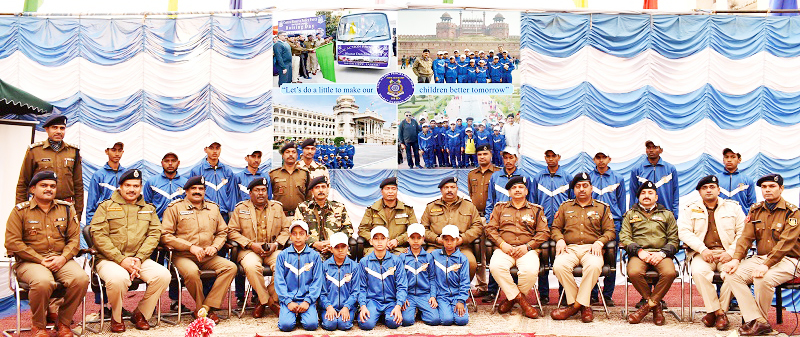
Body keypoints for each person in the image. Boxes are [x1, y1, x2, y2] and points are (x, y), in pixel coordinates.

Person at [5, 171, 88, 337]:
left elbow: (74, 240)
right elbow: (12, 242)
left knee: (81, 279)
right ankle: (39, 326)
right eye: (44, 185)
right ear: (32, 189)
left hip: (61, 259)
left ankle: (63, 323)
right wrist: (40, 259)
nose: (49, 189)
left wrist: (63, 257)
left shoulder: (66, 209)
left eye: (52, 186)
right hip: (30, 262)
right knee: (43, 281)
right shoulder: (20, 211)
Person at [90, 169, 170, 332]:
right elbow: (98, 235)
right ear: (120, 187)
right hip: (109, 259)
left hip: (138, 259)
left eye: (136, 185)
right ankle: (116, 316)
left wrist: (139, 258)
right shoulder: (106, 207)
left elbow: (154, 234)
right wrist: (120, 259)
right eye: (127, 185)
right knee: (118, 278)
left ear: (141, 187)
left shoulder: (149, 209)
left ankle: (141, 314)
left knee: (163, 276)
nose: (132, 189)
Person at [721, 174, 800, 336]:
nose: (767, 190)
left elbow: (785, 243)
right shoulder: (755, 210)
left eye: (772, 186)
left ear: (781, 188)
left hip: (789, 259)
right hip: (761, 257)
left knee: (762, 278)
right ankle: (759, 321)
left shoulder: (793, 212)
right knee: (730, 274)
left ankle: (758, 322)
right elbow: (746, 238)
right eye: (764, 187)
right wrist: (736, 259)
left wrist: (766, 265)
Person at [160, 176, 237, 324]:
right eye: (193, 189)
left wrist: (214, 247)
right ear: (186, 191)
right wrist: (190, 247)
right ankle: (201, 308)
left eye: (200, 189)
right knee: (192, 272)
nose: (197, 191)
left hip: (207, 255)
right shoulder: (174, 208)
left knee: (230, 267)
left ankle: (206, 308)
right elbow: (165, 236)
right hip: (183, 255)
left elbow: (222, 232)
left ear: (204, 191)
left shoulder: (213, 208)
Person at [678, 175, 745, 331]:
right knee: (699, 273)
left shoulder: (734, 207)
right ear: (699, 192)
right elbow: (684, 232)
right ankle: (720, 312)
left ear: (719, 190)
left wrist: (731, 252)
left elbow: (743, 233)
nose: (708, 190)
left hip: (727, 253)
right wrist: (702, 249)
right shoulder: (689, 209)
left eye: (712, 187)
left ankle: (713, 312)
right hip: (702, 253)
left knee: (732, 274)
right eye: (704, 188)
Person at [550, 173, 615, 323]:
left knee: (593, 266)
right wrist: (559, 239)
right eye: (578, 186)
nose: (582, 189)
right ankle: (583, 305)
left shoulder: (602, 208)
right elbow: (555, 228)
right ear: (574, 190)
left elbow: (610, 231)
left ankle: (574, 306)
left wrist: (600, 242)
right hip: (569, 248)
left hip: (592, 248)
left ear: (591, 188)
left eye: (585, 186)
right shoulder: (565, 207)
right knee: (559, 266)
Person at [487, 176, 549, 318]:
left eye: (521, 187)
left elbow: (544, 232)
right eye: (513, 188)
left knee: (530, 271)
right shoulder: (499, 208)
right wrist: (502, 244)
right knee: (496, 267)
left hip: (526, 251)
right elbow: (490, 229)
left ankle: (510, 300)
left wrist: (528, 246)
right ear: (509, 192)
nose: (517, 190)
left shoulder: (536, 210)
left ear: (526, 191)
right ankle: (522, 301)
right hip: (504, 249)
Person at [227, 177, 289, 318]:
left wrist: (277, 244)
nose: (261, 193)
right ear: (250, 193)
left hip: (272, 249)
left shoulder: (277, 207)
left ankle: (264, 301)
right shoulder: (241, 208)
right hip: (249, 250)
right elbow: (232, 231)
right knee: (251, 266)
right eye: (257, 190)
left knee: (285, 264)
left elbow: (286, 229)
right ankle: (270, 302)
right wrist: (250, 244)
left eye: (263, 190)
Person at [620, 180, 679, 325]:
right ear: (638, 197)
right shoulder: (630, 215)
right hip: (639, 254)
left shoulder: (667, 215)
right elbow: (625, 237)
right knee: (633, 272)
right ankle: (655, 306)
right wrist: (639, 251)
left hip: (661, 253)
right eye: (643, 193)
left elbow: (674, 239)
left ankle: (647, 306)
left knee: (670, 273)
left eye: (650, 193)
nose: (646, 195)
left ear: (656, 197)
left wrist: (662, 254)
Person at [16, 115, 84, 219]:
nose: (58, 131)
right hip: (40, 207)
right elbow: (23, 183)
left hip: (65, 208)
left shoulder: (73, 152)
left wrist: (78, 213)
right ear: (46, 129)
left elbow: (78, 185)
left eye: (62, 128)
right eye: (54, 127)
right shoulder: (35, 151)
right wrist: (21, 211)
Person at [420, 177, 483, 283]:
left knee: (471, 263)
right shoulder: (430, 207)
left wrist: (463, 239)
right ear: (441, 190)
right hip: (437, 246)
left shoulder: (469, 206)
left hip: (461, 247)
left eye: (452, 187)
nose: (449, 190)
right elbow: (423, 228)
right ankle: (434, 291)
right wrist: (436, 239)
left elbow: (478, 226)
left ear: (457, 188)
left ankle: (462, 290)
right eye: (446, 187)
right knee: (425, 263)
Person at [533, 147, 573, 304]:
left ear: (559, 157)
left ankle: (563, 294)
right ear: (545, 157)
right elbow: (533, 201)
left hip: (561, 227)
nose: (550, 159)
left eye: (553, 156)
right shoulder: (538, 177)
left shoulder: (568, 177)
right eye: (547, 156)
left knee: (561, 258)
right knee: (543, 259)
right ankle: (544, 294)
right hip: (542, 226)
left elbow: (571, 202)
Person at [588, 150, 627, 306]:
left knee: (611, 258)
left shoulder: (618, 178)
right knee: (592, 257)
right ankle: (592, 293)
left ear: (609, 159)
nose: (601, 160)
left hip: (614, 223)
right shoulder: (588, 178)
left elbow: (621, 203)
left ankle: (608, 294)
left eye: (604, 157)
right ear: (594, 159)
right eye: (598, 157)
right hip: (592, 223)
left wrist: (621, 224)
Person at [275, 220, 324, 332]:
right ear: (290, 236)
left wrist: (308, 301)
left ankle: (304, 314)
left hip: (306, 299)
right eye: (294, 233)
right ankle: (291, 315)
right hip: (289, 299)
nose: (298, 237)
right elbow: (279, 281)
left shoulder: (314, 256)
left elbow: (317, 281)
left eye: (301, 234)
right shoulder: (283, 256)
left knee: (311, 325)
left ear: (307, 236)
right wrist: (287, 301)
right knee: (286, 326)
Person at [356, 226, 408, 330]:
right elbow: (361, 287)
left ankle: (384, 316)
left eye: (383, 238)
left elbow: (402, 286)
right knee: (366, 324)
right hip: (372, 301)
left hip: (390, 301)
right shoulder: (364, 262)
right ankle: (376, 314)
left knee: (394, 323)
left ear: (388, 240)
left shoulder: (396, 261)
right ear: (371, 241)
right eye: (376, 238)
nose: (379, 242)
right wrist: (363, 306)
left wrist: (398, 305)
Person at [294, 176, 354, 258]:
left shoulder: (339, 207)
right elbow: (298, 231)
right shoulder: (302, 208)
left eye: (323, 187)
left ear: (328, 189)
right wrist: (314, 243)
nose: (321, 190)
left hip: (336, 248)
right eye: (317, 187)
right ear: (312, 191)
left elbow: (348, 228)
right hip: (310, 249)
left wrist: (333, 242)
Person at [359, 177, 418, 255]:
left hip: (399, 249)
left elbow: (413, 230)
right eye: (387, 189)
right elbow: (362, 229)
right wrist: (377, 241)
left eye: (393, 189)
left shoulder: (407, 209)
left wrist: (398, 240)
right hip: (376, 248)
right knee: (370, 262)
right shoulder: (372, 209)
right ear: (381, 192)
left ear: (397, 191)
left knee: (405, 261)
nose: (390, 192)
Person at [400, 223, 440, 326]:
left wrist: (432, 296)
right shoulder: (402, 257)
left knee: (434, 320)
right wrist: (402, 298)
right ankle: (412, 310)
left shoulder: (428, 257)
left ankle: (421, 311)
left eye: (419, 237)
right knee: (406, 321)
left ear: (423, 239)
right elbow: (400, 280)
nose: (416, 241)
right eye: (412, 238)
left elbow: (432, 278)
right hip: (409, 295)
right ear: (408, 239)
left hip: (424, 294)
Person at [431, 225, 471, 326]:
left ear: (457, 240)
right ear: (442, 240)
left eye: (452, 240)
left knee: (462, 321)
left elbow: (465, 282)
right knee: (446, 320)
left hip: (457, 296)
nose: (449, 243)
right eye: (446, 239)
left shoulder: (463, 259)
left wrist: (461, 300)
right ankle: (444, 310)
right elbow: (420, 256)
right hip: (442, 296)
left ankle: (459, 307)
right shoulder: (434, 255)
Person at [320, 232, 360, 331]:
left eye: (343, 246)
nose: (340, 250)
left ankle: (351, 313)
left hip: (347, 306)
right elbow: (321, 292)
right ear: (331, 249)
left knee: (344, 325)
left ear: (348, 248)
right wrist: (328, 306)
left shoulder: (354, 267)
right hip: (329, 306)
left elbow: (355, 291)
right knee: (330, 325)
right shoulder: (324, 267)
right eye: (336, 247)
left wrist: (347, 307)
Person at [630, 140, 680, 218]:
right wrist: (632, 213)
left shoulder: (670, 169)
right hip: (642, 215)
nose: (651, 150)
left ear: (661, 150)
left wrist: (675, 214)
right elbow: (633, 194)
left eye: (655, 147)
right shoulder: (636, 169)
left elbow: (675, 193)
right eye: (648, 147)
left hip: (665, 214)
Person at [189, 141, 236, 221]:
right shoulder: (197, 171)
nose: (215, 151)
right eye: (211, 148)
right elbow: (191, 195)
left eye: (217, 148)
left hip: (224, 215)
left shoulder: (227, 171)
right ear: (205, 149)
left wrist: (232, 214)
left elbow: (231, 195)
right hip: (204, 214)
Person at [86, 141, 126, 226]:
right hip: (103, 220)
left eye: (119, 150)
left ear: (123, 152)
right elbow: (92, 203)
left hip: (123, 221)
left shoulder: (126, 174)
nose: (117, 153)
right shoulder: (98, 175)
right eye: (113, 150)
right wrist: (90, 226)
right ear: (106, 151)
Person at [269, 142, 310, 217]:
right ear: (282, 156)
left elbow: (309, 196)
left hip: (300, 216)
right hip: (279, 216)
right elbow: (268, 196)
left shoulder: (304, 173)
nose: (291, 154)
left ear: (297, 155)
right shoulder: (273, 174)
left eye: (293, 152)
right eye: (287, 152)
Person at [719, 148, 757, 214]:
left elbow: (752, 204)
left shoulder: (747, 180)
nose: (729, 160)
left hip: (742, 220)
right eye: (726, 157)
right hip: (719, 220)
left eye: (733, 157)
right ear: (723, 160)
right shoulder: (715, 179)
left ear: (739, 160)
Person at [468, 145, 500, 218]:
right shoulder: (472, 174)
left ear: (491, 155)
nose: (482, 157)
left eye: (485, 154)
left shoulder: (498, 173)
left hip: (493, 215)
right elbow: (471, 193)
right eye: (479, 154)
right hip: (476, 215)